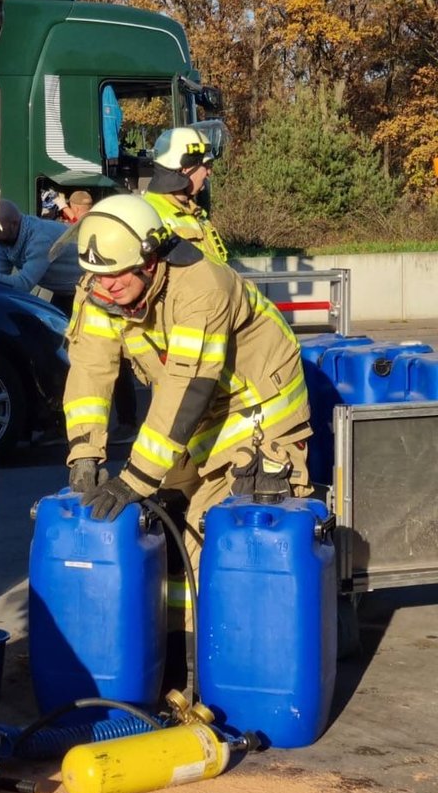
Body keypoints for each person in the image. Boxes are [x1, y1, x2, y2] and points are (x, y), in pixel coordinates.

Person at [61, 194, 312, 613]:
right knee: (163, 529)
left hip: (257, 414)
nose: (108, 286)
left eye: (119, 273)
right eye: (98, 276)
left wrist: (136, 479)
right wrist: (84, 453)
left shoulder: (202, 287)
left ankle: (209, 661)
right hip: (188, 418)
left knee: (214, 538)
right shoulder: (100, 289)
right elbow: (90, 369)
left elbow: (189, 384)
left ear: (150, 258)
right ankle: (171, 654)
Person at [142, 126, 228, 265]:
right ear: (185, 168)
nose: (209, 172)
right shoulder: (149, 215)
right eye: (207, 165)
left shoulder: (196, 213)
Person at [0, 199, 81, 314]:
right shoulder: (4, 241)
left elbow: (23, 285)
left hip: (85, 289)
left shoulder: (40, 239)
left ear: (13, 224)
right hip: (62, 291)